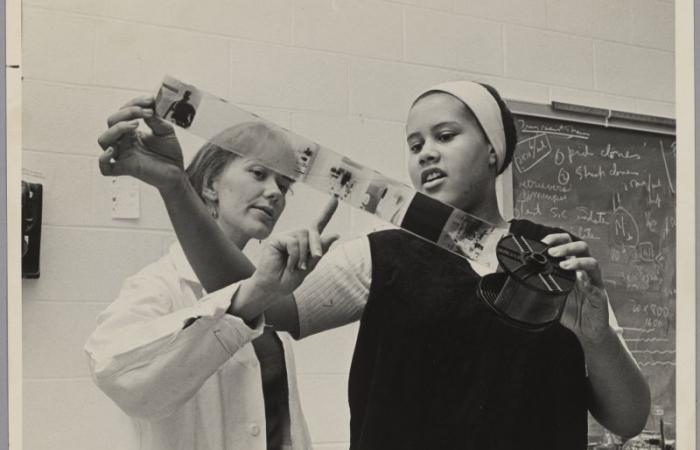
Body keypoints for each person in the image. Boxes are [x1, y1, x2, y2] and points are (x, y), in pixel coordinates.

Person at [97, 81, 651, 449]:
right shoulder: (382, 254)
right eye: (414, 144)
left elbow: (627, 421)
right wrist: (175, 187)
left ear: (495, 150)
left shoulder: (558, 261)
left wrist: (598, 338)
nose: (426, 153)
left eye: (445, 135)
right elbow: (251, 299)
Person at [86, 113, 340, 450]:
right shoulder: (160, 284)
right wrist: (244, 303)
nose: (275, 193)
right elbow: (116, 375)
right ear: (210, 185)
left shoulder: (271, 292)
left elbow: (282, 427)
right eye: (259, 173)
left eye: (283, 185)